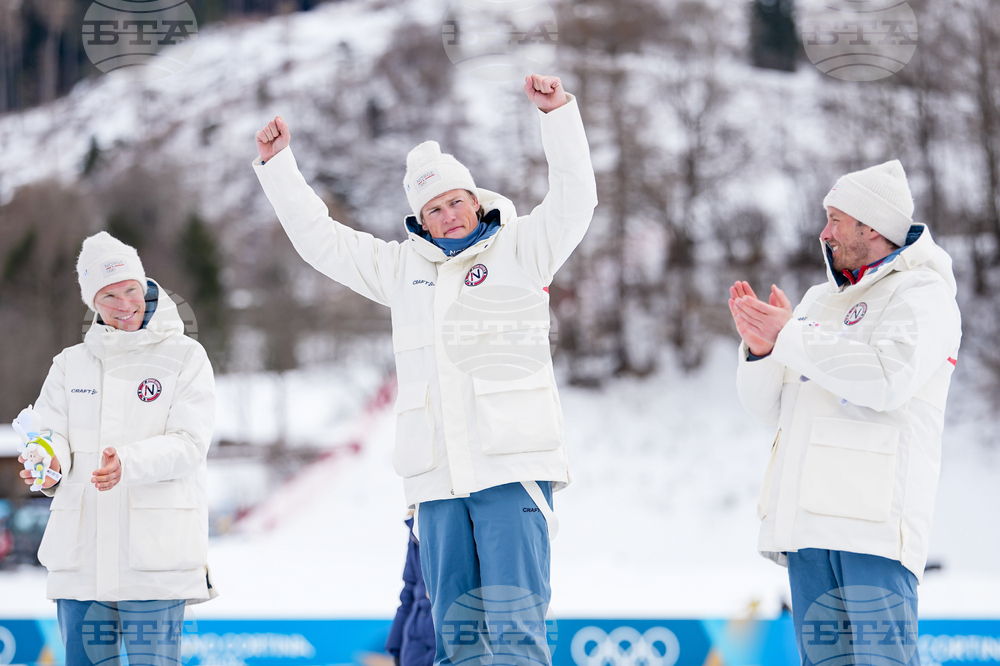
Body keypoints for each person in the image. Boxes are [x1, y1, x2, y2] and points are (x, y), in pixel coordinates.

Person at [253, 74, 596, 664]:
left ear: (476, 198)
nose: (448, 214)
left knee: (516, 636)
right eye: (433, 208)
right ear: (421, 220)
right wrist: (279, 166)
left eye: (455, 200)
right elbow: (322, 243)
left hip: (509, 468)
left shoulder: (523, 248)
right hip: (435, 481)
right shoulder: (400, 270)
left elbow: (575, 199)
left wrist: (558, 115)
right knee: (454, 643)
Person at [728, 160, 961, 666]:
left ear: (870, 226)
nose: (824, 232)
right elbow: (766, 407)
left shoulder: (924, 293)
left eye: (835, 219)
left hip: (871, 528)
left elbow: (884, 378)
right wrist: (762, 350)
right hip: (805, 529)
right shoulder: (816, 301)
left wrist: (789, 336)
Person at [16, 231, 217, 666]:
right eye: (108, 295)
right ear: (92, 303)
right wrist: (46, 461)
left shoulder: (186, 356)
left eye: (130, 289)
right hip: (82, 562)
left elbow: (190, 443)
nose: (124, 304)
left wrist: (127, 463)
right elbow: (49, 436)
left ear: (145, 286)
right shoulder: (70, 363)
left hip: (154, 561)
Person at [386, 510, 434, 666]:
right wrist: (396, 643)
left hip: (449, 634)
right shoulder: (416, 527)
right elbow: (409, 589)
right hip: (414, 643)